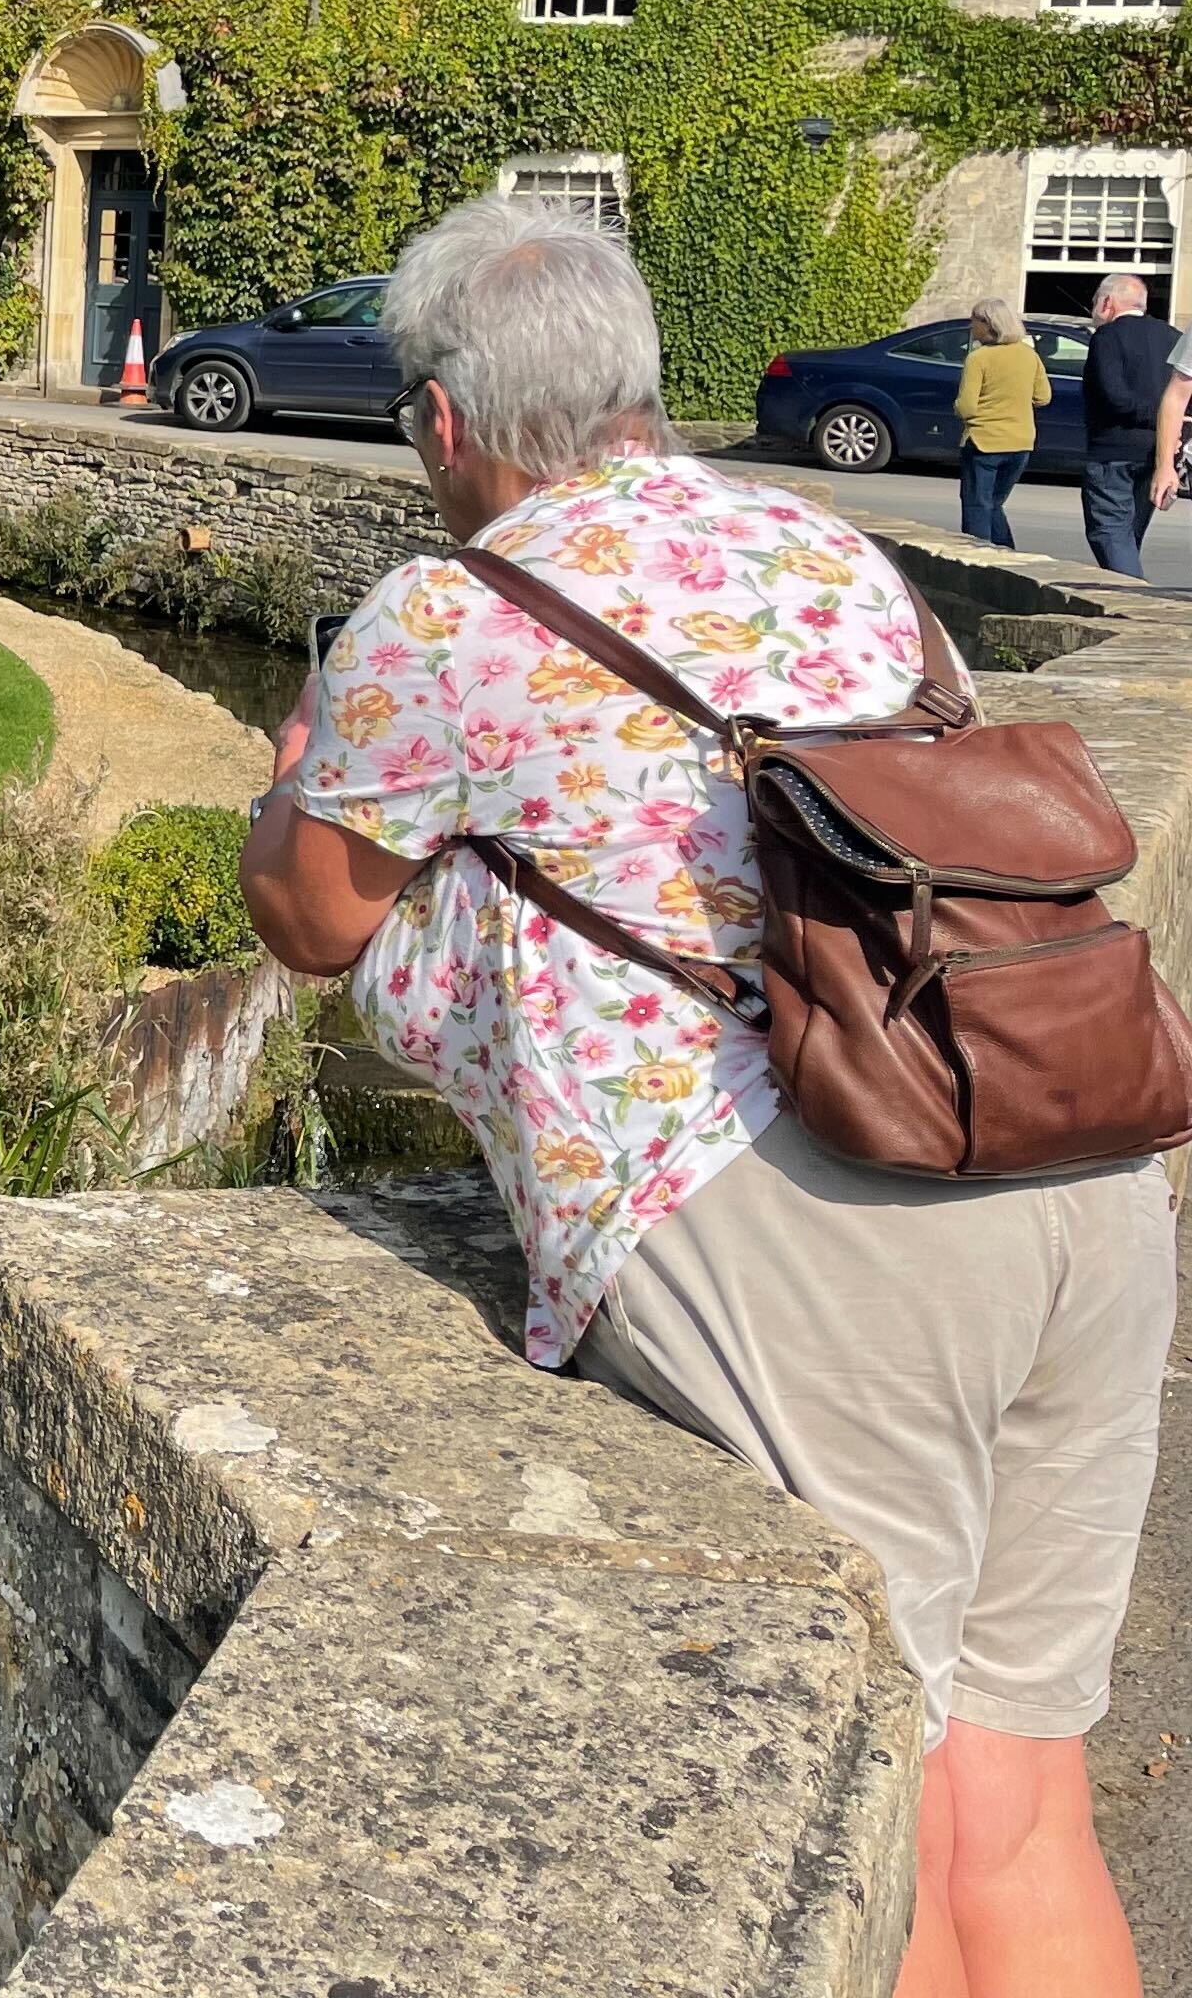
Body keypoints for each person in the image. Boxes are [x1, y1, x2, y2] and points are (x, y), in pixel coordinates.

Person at [242, 198, 1173, 1998]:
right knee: (1020, 1802)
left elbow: (308, 918)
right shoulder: (837, 556)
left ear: (440, 421)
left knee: (869, 1809)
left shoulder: (450, 607)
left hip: (817, 1214)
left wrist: (294, 769)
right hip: (1067, 1147)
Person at [1075, 272, 1174, 577]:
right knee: (1130, 535)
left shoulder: (1106, 337)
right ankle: (1126, 589)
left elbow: (1112, 396)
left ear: (1107, 302)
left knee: (1110, 532)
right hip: (1156, 451)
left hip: (1113, 450)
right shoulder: (1172, 337)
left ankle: (1133, 599)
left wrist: (1150, 413)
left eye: (1095, 302)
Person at [952, 299, 1047, 549]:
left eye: (974, 321)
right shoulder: (1029, 356)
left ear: (988, 323)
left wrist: (958, 409)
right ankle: (1007, 555)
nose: (971, 327)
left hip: (984, 442)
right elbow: (1043, 397)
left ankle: (979, 561)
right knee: (994, 503)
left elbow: (967, 406)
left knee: (977, 505)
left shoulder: (979, 358)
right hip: (1021, 443)